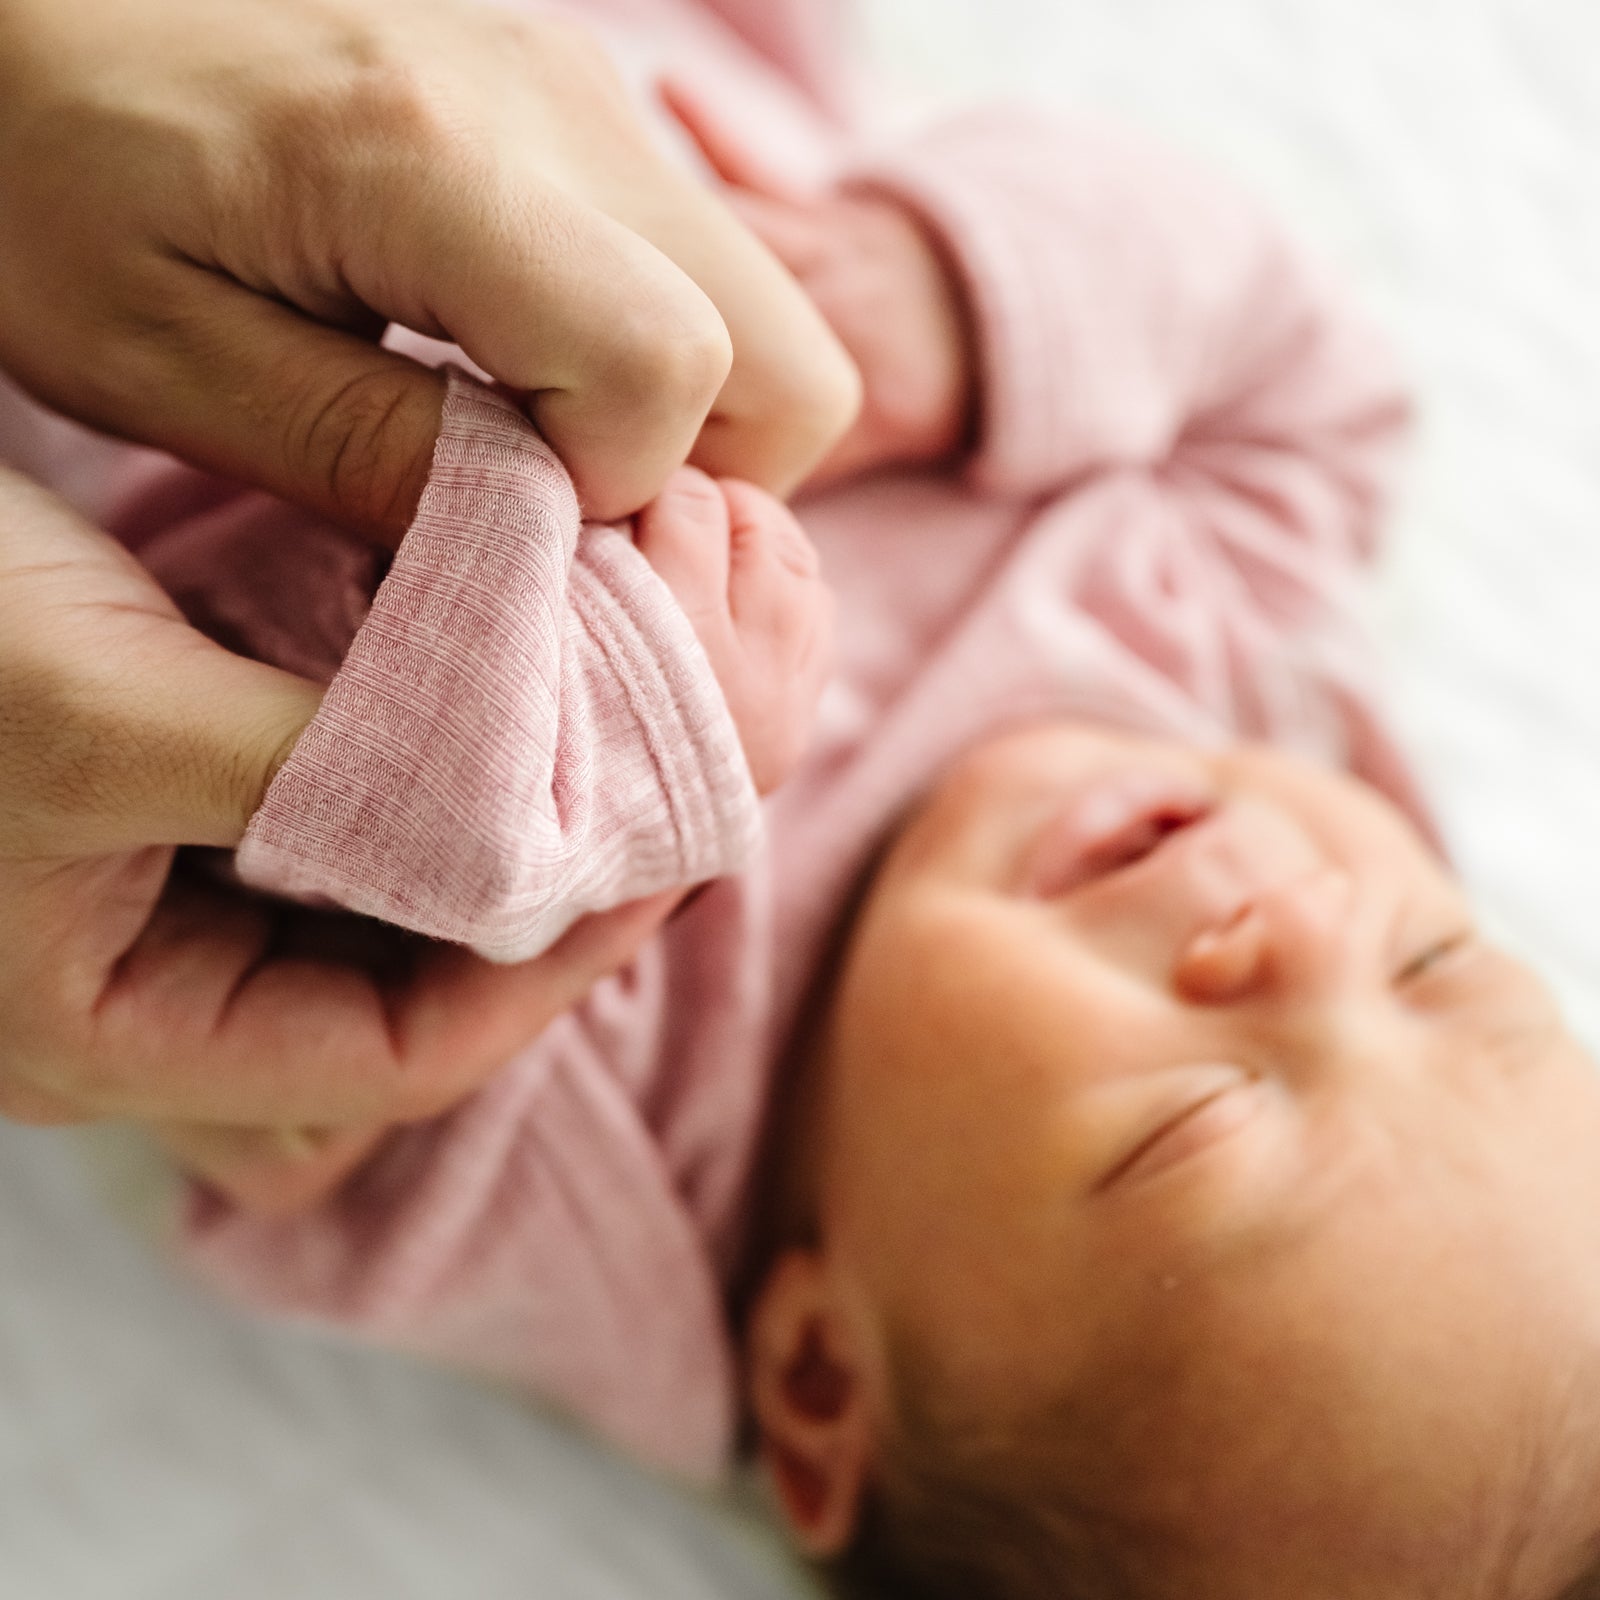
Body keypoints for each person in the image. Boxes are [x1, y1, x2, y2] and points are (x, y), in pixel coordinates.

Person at [16, 5, 1600, 1599]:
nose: (1302, 931)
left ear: (825, 1374)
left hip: (137, 265)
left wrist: (629, 730)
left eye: (1195, 1122)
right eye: (1435, 967)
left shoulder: (577, 1151)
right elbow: (1291, 364)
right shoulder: (1235, 653)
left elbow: (199, 760)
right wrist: (950, 298)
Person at [0, 0, 859, 1133]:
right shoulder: (1149, 643)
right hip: (669, 159)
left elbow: (321, 798)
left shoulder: (657, 1127)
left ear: (813, 1312)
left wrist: (628, 720)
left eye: (1158, 1140)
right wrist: (940, 275)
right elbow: (1173, 323)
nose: (1185, 937)